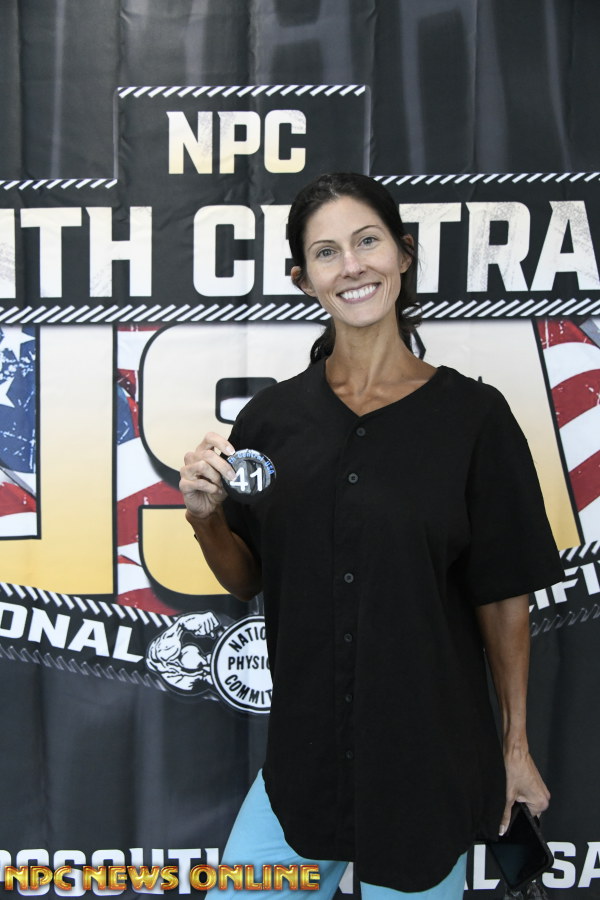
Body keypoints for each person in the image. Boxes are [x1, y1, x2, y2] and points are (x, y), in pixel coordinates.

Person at [179, 173, 564, 898]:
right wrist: (205, 518)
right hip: (303, 763)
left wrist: (514, 746)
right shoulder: (269, 421)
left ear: (403, 253)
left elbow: (503, 596)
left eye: (367, 241)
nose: (351, 266)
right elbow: (247, 576)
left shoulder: (474, 419)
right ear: (303, 279)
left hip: (427, 762)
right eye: (326, 253)